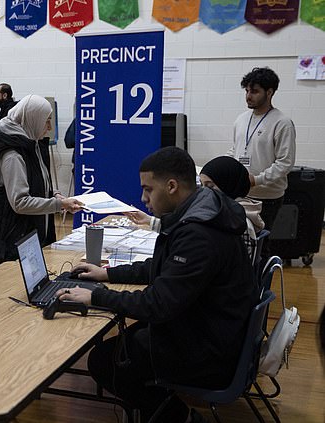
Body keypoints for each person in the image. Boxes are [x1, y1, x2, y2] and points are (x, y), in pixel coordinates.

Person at [58, 147, 257, 423]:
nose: (143, 198)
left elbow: (158, 304)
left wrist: (96, 297)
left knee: (104, 361)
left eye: (148, 189)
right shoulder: (200, 214)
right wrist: (108, 274)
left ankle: (179, 417)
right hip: (209, 327)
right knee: (126, 342)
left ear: (172, 186)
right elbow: (164, 269)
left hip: (208, 348)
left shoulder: (199, 234)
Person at [0, 94, 82, 273]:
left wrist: (54, 194)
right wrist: (59, 204)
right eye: (46, 121)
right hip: (9, 244)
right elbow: (20, 202)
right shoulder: (12, 154)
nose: (49, 128)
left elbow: (39, 180)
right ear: (32, 119)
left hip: (24, 237)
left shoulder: (29, 141)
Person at [126, 156, 265, 259]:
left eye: (210, 186)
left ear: (229, 184)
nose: (206, 193)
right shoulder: (233, 212)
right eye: (203, 186)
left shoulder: (236, 221)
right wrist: (150, 221)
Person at [227, 67, 295, 242]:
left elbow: (285, 163)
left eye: (255, 91)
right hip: (240, 193)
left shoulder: (282, 123)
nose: (248, 96)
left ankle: (264, 269)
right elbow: (235, 151)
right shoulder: (241, 119)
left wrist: (256, 179)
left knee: (260, 245)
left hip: (267, 197)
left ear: (270, 92)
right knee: (238, 244)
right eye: (247, 91)